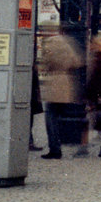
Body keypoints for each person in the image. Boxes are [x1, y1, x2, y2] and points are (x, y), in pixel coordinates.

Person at [39, 26, 82, 159]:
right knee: (59, 116)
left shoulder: (49, 43)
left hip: (54, 82)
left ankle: (55, 149)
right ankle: (63, 145)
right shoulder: (68, 43)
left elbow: (45, 63)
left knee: (50, 118)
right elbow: (77, 62)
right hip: (66, 82)